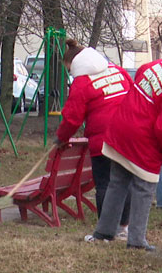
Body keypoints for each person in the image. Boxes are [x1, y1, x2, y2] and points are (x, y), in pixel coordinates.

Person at [85, 53, 162, 251]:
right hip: (141, 141)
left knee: (117, 184)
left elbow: (142, 75)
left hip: (121, 129)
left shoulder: (160, 65)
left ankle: (104, 231)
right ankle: (136, 241)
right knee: (144, 190)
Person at [55, 39, 132, 239]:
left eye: (68, 69)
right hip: (128, 134)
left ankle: (106, 230)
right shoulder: (118, 71)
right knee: (125, 180)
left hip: (103, 139)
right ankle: (125, 226)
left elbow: (72, 117)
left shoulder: (82, 82)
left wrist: (61, 138)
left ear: (74, 64)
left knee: (105, 184)